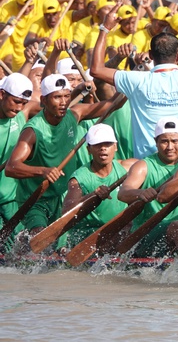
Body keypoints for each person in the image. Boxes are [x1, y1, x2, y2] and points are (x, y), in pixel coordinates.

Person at [90, 0, 178, 159]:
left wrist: (105, 28)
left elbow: (96, 69)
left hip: (146, 170)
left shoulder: (137, 80)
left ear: (151, 55)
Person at [5, 74, 124, 235]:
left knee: (60, 249)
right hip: (36, 200)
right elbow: (11, 168)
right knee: (39, 236)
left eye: (67, 96)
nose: (63, 103)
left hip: (64, 197)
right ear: (44, 101)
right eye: (57, 97)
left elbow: (112, 104)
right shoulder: (31, 131)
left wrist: (128, 83)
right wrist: (43, 171)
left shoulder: (75, 114)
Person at [117, 117, 178, 257]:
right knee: (175, 225)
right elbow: (123, 193)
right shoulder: (143, 166)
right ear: (155, 142)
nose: (170, 147)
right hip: (149, 234)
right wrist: (140, 193)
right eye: (164, 141)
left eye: (175, 141)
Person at [61, 124, 137, 248]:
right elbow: (66, 211)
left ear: (115, 147)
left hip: (119, 231)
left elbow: (150, 164)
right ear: (88, 149)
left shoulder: (128, 168)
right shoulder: (78, 179)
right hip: (87, 235)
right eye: (97, 144)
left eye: (107, 144)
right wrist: (93, 195)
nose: (103, 148)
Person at [0, 73, 39, 242]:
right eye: (16, 101)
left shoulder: (22, 115)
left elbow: (55, 107)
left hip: (12, 199)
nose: (19, 108)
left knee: (19, 250)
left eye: (24, 103)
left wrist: (79, 92)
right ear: (2, 94)